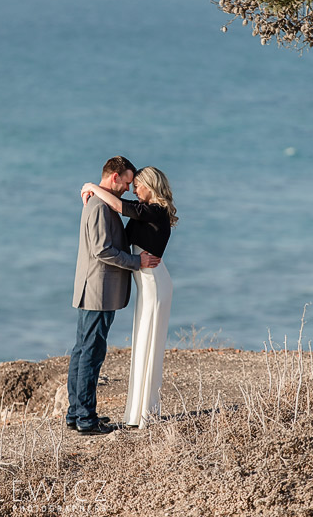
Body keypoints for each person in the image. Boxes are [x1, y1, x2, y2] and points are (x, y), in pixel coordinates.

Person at [68, 156, 161, 435]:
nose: (127, 189)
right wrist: (137, 263)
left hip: (97, 290)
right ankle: (85, 418)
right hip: (98, 291)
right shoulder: (98, 207)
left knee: (84, 351)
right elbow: (102, 250)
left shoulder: (101, 202)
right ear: (114, 177)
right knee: (90, 354)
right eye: (127, 182)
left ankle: (77, 414)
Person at [81, 166, 178, 429]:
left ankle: (146, 414)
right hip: (147, 283)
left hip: (155, 285)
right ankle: (137, 414)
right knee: (142, 342)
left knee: (149, 344)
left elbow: (118, 204)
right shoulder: (145, 212)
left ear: (150, 185)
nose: (134, 190)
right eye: (132, 185)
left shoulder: (155, 210)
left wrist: (92, 186)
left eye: (137, 185)